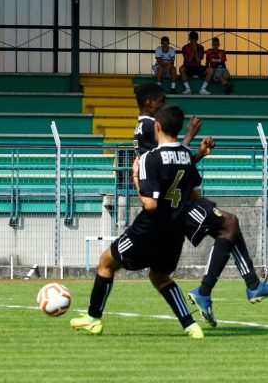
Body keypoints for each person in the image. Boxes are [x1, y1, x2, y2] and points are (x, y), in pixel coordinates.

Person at [132, 84, 268, 329]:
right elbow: (169, 159)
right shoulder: (151, 126)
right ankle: (217, 290)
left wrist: (199, 154)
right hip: (174, 204)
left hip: (176, 197)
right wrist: (189, 138)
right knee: (228, 224)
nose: (164, 104)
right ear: (150, 103)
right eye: (161, 100)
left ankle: (249, 285)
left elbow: (171, 163)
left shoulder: (144, 127)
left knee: (230, 225)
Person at [70, 104, 205, 339]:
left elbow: (149, 204)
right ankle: (191, 326)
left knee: (105, 263)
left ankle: (93, 318)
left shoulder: (149, 158)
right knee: (160, 277)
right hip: (175, 231)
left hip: (148, 228)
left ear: (158, 126)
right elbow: (195, 195)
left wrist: (134, 178)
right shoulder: (186, 156)